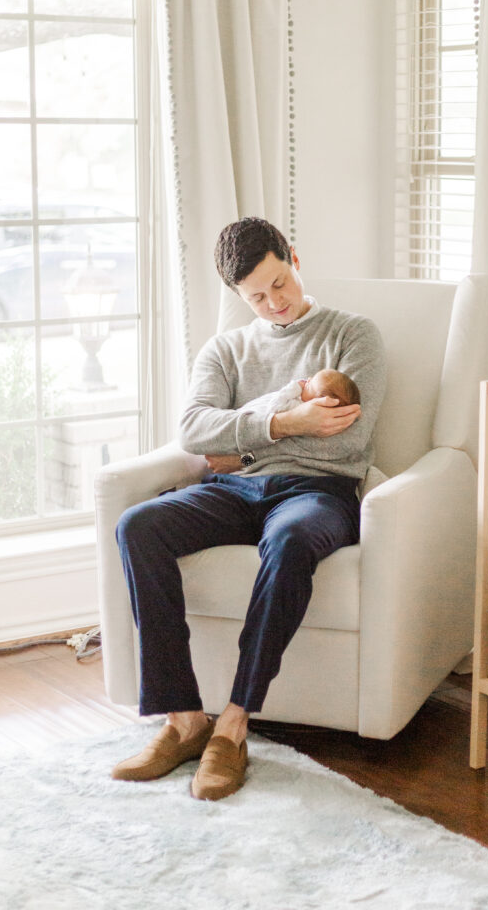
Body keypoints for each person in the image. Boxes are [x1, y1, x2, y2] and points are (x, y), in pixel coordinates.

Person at [111, 216, 387, 801]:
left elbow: (347, 443)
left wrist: (238, 444)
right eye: (256, 297)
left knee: (289, 542)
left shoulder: (353, 334)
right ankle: (184, 719)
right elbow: (193, 432)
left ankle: (233, 726)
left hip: (318, 491)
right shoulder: (227, 349)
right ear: (237, 295)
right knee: (139, 525)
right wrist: (286, 422)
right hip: (238, 491)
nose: (275, 304)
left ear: (292, 254)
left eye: (280, 283)